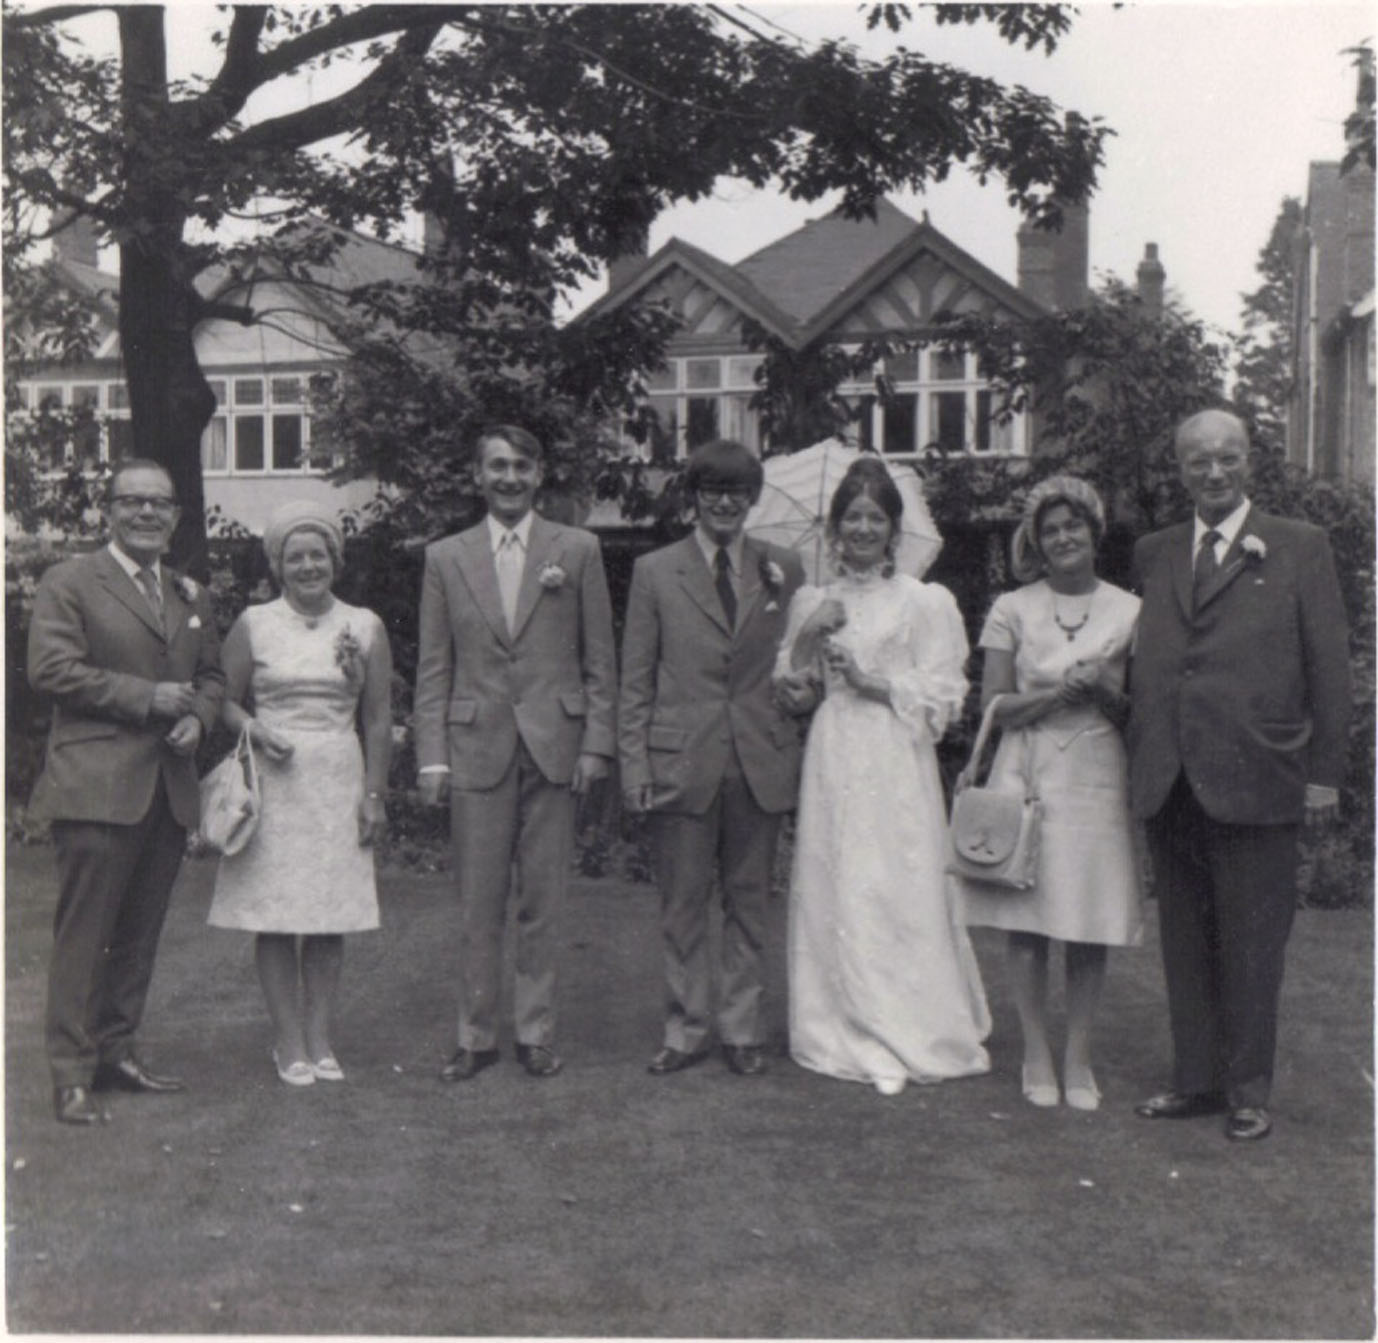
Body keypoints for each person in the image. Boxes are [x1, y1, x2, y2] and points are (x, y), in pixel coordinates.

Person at [1127, 408, 1351, 1142]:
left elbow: (1328, 666)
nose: (1214, 472)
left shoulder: (1299, 546)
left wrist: (1323, 775)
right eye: (1199, 461)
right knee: (1185, 939)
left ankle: (1249, 1088)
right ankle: (1195, 1081)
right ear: (1180, 468)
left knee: (1254, 940)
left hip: (1260, 774)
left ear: (1250, 460)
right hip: (1173, 779)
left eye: (1228, 458)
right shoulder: (1155, 553)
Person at [775, 456, 990, 1095]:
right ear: (835, 530)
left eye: (875, 518)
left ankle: (907, 1017)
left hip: (895, 755)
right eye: (852, 518)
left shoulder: (923, 601)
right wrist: (811, 637)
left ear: (894, 530)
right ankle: (839, 1018)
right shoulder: (813, 600)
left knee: (896, 877)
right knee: (838, 874)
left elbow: (947, 694)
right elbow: (792, 694)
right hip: (834, 751)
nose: (863, 530)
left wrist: (873, 683)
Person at [414, 425, 616, 1081]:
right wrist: (432, 756)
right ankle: (475, 1036)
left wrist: (596, 745)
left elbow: (598, 662)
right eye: (496, 465)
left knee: (544, 897)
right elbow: (433, 667)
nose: (508, 476)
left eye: (521, 465)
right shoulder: (446, 557)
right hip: (475, 745)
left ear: (539, 473)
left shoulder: (577, 549)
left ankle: (535, 1032)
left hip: (554, 744)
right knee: (478, 899)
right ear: (478, 475)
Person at [27, 459, 225, 1124]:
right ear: (108, 511)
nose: (146, 514)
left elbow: (214, 675)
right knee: (85, 934)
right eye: (132, 502)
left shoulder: (189, 593)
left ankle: (117, 1052)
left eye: (158, 504)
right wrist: (150, 698)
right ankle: (70, 1074)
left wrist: (198, 715)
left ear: (174, 517)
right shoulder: (71, 581)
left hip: (166, 790)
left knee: (139, 934)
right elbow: (50, 668)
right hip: (95, 785)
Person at [619, 439, 809, 1078]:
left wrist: (802, 697)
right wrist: (636, 765)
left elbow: (796, 665)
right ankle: (685, 1028)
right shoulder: (654, 572)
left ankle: (742, 1029)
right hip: (682, 760)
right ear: (693, 500)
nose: (724, 503)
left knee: (750, 900)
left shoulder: (784, 568)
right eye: (712, 491)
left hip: (760, 757)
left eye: (736, 492)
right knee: (682, 904)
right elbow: (636, 678)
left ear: (752, 499)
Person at [955, 476, 1143, 1111]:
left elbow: (1134, 713)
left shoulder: (1129, 610)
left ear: (1094, 532)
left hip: (1095, 772)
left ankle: (1079, 1056)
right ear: (1036, 540)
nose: (1064, 537)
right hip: (1026, 771)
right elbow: (994, 708)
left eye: (1075, 526)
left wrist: (1103, 693)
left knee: (1087, 919)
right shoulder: (1012, 608)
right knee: (1028, 920)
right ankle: (1036, 1050)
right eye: (1051, 529)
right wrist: (1055, 695)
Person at [207, 501, 392, 1086]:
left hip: (338, 774)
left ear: (335, 560)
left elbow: (380, 717)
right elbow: (223, 702)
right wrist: (255, 728)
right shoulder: (255, 623)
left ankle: (320, 1037)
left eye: (318, 555)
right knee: (278, 915)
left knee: (329, 914)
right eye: (296, 557)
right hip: (274, 781)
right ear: (278, 566)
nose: (308, 566)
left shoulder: (364, 625)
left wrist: (374, 796)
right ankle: (287, 1042)